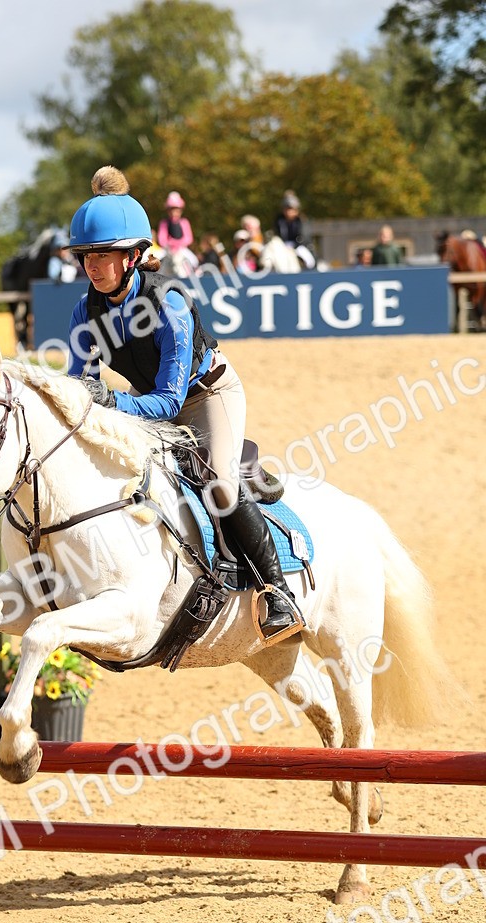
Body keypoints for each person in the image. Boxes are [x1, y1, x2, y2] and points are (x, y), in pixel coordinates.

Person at [66, 166, 303, 640]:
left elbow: (171, 402)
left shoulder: (169, 304)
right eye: (85, 255)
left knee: (217, 482)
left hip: (207, 393)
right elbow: (79, 390)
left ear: (133, 256)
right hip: (145, 397)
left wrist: (108, 399)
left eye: (104, 254)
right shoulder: (84, 311)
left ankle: (278, 593)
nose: (92, 265)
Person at [274, 192, 316, 269]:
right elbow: (278, 235)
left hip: (300, 246)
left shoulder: (302, 221)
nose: (288, 212)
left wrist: (295, 246)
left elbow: (304, 237)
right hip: (283, 246)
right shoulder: (279, 221)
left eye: (291, 209)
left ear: (296, 210)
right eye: (286, 209)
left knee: (309, 261)